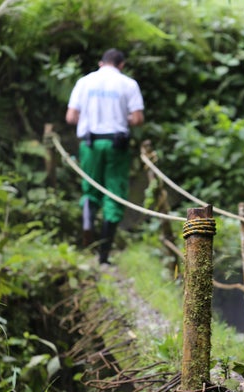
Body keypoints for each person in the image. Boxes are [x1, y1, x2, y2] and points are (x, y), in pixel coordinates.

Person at [66, 48, 144, 265]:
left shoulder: (84, 82)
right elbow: (137, 118)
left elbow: (71, 117)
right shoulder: (128, 84)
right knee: (114, 194)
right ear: (121, 65)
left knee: (90, 187)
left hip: (90, 143)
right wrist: (120, 117)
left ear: (101, 63)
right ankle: (103, 256)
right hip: (116, 144)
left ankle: (88, 223)